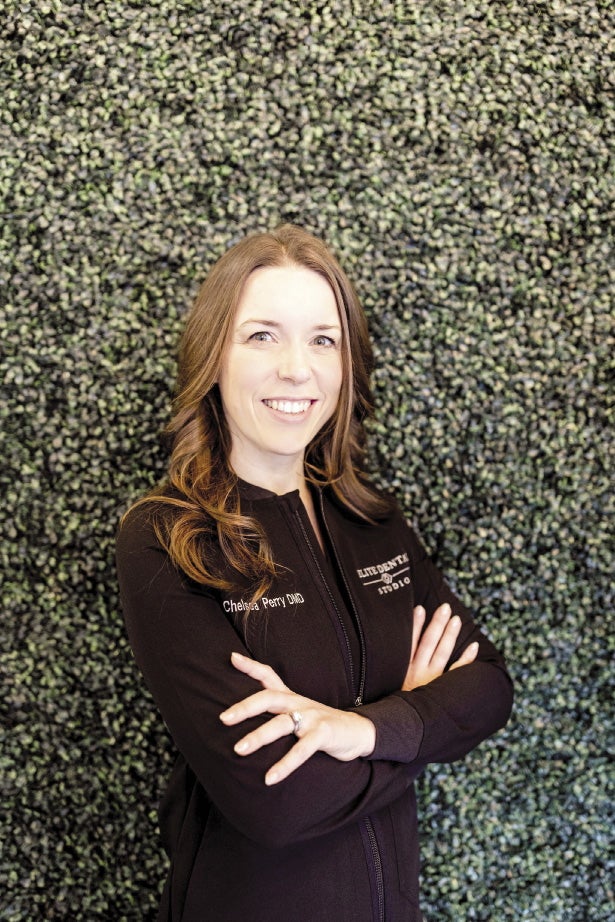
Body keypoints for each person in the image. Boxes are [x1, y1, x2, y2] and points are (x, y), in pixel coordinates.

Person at [116, 224, 513, 922]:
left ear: (345, 365)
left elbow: (487, 690)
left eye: (322, 340)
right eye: (262, 336)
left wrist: (359, 732)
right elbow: (275, 800)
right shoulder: (166, 537)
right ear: (213, 356)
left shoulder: (372, 521)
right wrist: (420, 718)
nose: (296, 369)